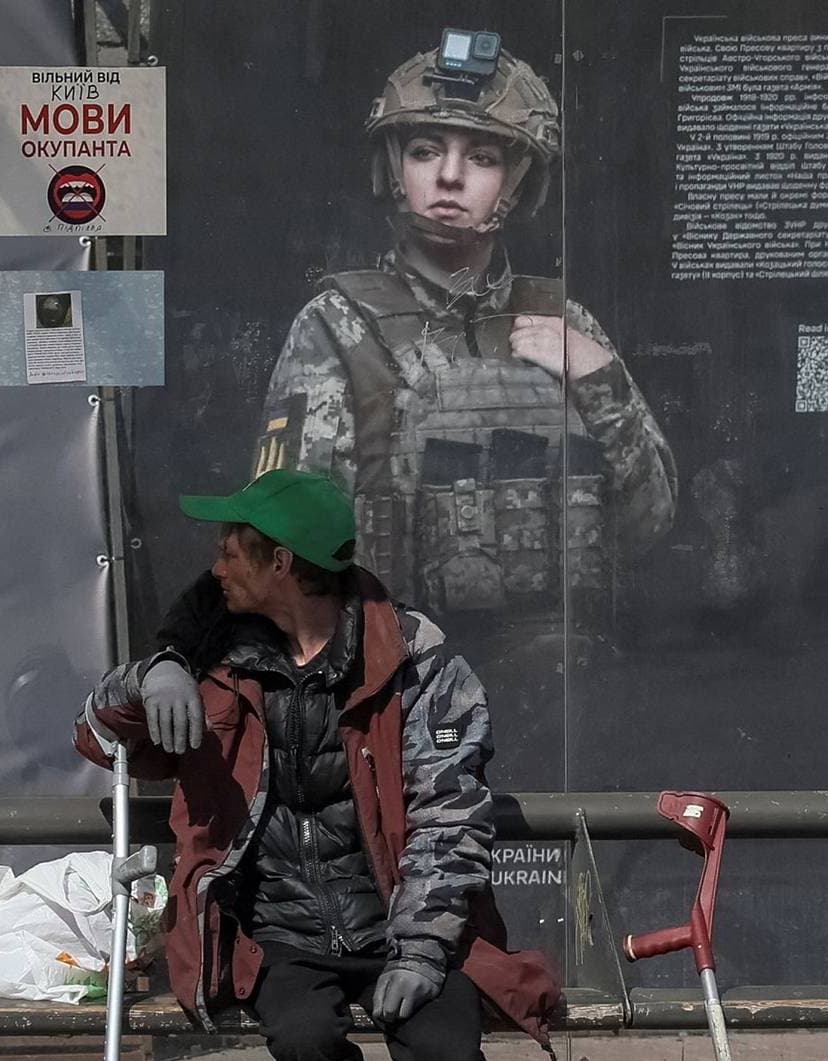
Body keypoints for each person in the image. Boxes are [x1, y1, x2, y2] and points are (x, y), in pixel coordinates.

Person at [154, 33, 678, 786]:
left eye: (486, 157)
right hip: (396, 703)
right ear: (394, 168)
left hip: (564, 707)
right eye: (427, 149)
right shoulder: (337, 328)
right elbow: (277, 541)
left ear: (519, 180)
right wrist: (183, 651)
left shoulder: (568, 326)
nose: (452, 178)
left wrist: (598, 380)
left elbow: (649, 524)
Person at [74, 469, 560, 1061]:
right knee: (306, 1042)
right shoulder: (211, 661)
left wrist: (418, 951)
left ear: (279, 562)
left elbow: (451, 815)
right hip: (277, 932)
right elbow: (100, 736)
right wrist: (150, 677)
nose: (214, 567)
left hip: (399, 921)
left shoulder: (418, 660)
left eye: (228, 550)